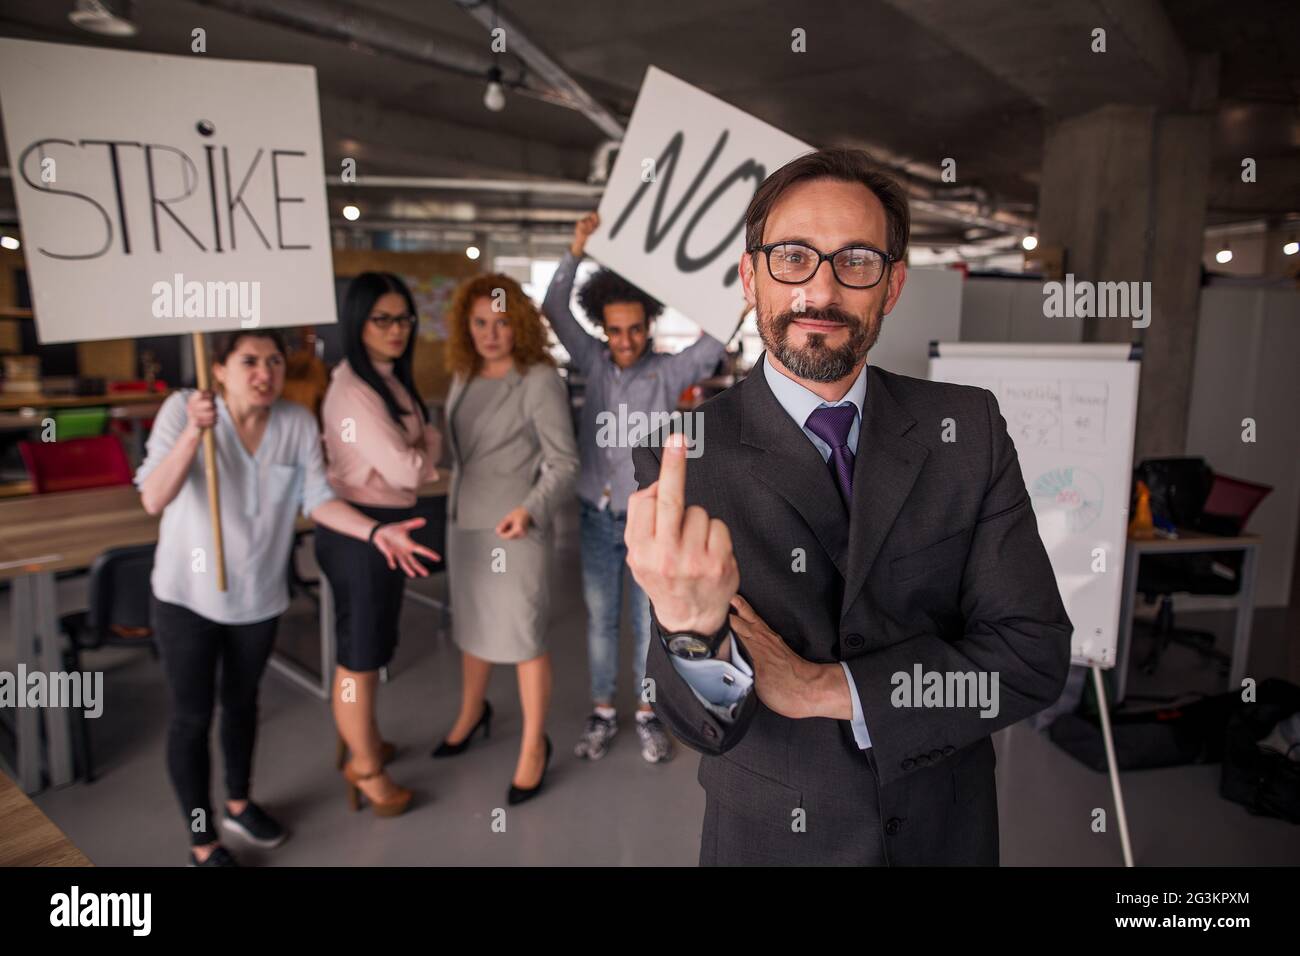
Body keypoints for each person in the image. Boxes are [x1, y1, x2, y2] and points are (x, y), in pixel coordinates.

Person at [624, 147, 1072, 865]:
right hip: (773, 839)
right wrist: (690, 628)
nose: (821, 291)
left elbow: (1032, 658)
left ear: (891, 286)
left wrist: (825, 689)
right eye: (793, 257)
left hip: (944, 830)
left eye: (856, 261)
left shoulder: (969, 430)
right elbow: (700, 726)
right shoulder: (682, 457)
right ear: (750, 276)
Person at [136, 329, 438, 867]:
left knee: (243, 706)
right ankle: (203, 840)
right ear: (220, 369)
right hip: (186, 597)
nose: (265, 373)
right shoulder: (184, 409)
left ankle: (238, 802)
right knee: (191, 717)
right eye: (249, 361)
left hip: (259, 597)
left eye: (274, 361)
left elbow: (318, 499)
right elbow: (154, 497)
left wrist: (374, 533)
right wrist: (193, 435)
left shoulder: (295, 422)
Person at [542, 213, 725, 764]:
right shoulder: (592, 362)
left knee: (648, 620)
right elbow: (553, 308)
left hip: (648, 519)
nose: (624, 341)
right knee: (602, 619)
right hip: (595, 515)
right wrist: (576, 249)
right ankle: (603, 710)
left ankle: (649, 714)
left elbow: (718, 335)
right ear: (603, 327)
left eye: (635, 329)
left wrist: (722, 272)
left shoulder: (670, 373)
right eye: (614, 330)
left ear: (650, 324)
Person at [432, 273, 579, 805]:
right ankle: (473, 714)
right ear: (465, 326)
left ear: (517, 323)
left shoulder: (537, 378)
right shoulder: (464, 374)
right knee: (471, 630)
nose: (490, 334)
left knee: (521, 638)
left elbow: (564, 463)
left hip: (514, 529)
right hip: (465, 523)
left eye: (500, 323)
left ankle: (533, 745)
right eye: (479, 323)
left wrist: (531, 510)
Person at [315, 273, 443, 818]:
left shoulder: (388, 378)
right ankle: (364, 768)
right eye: (382, 319)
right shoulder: (353, 391)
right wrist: (420, 447)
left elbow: (422, 444)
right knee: (359, 657)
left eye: (404, 319)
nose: (397, 330)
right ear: (357, 323)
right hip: (360, 531)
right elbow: (410, 465)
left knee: (373, 648)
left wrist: (419, 445)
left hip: (388, 523)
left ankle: (361, 739)